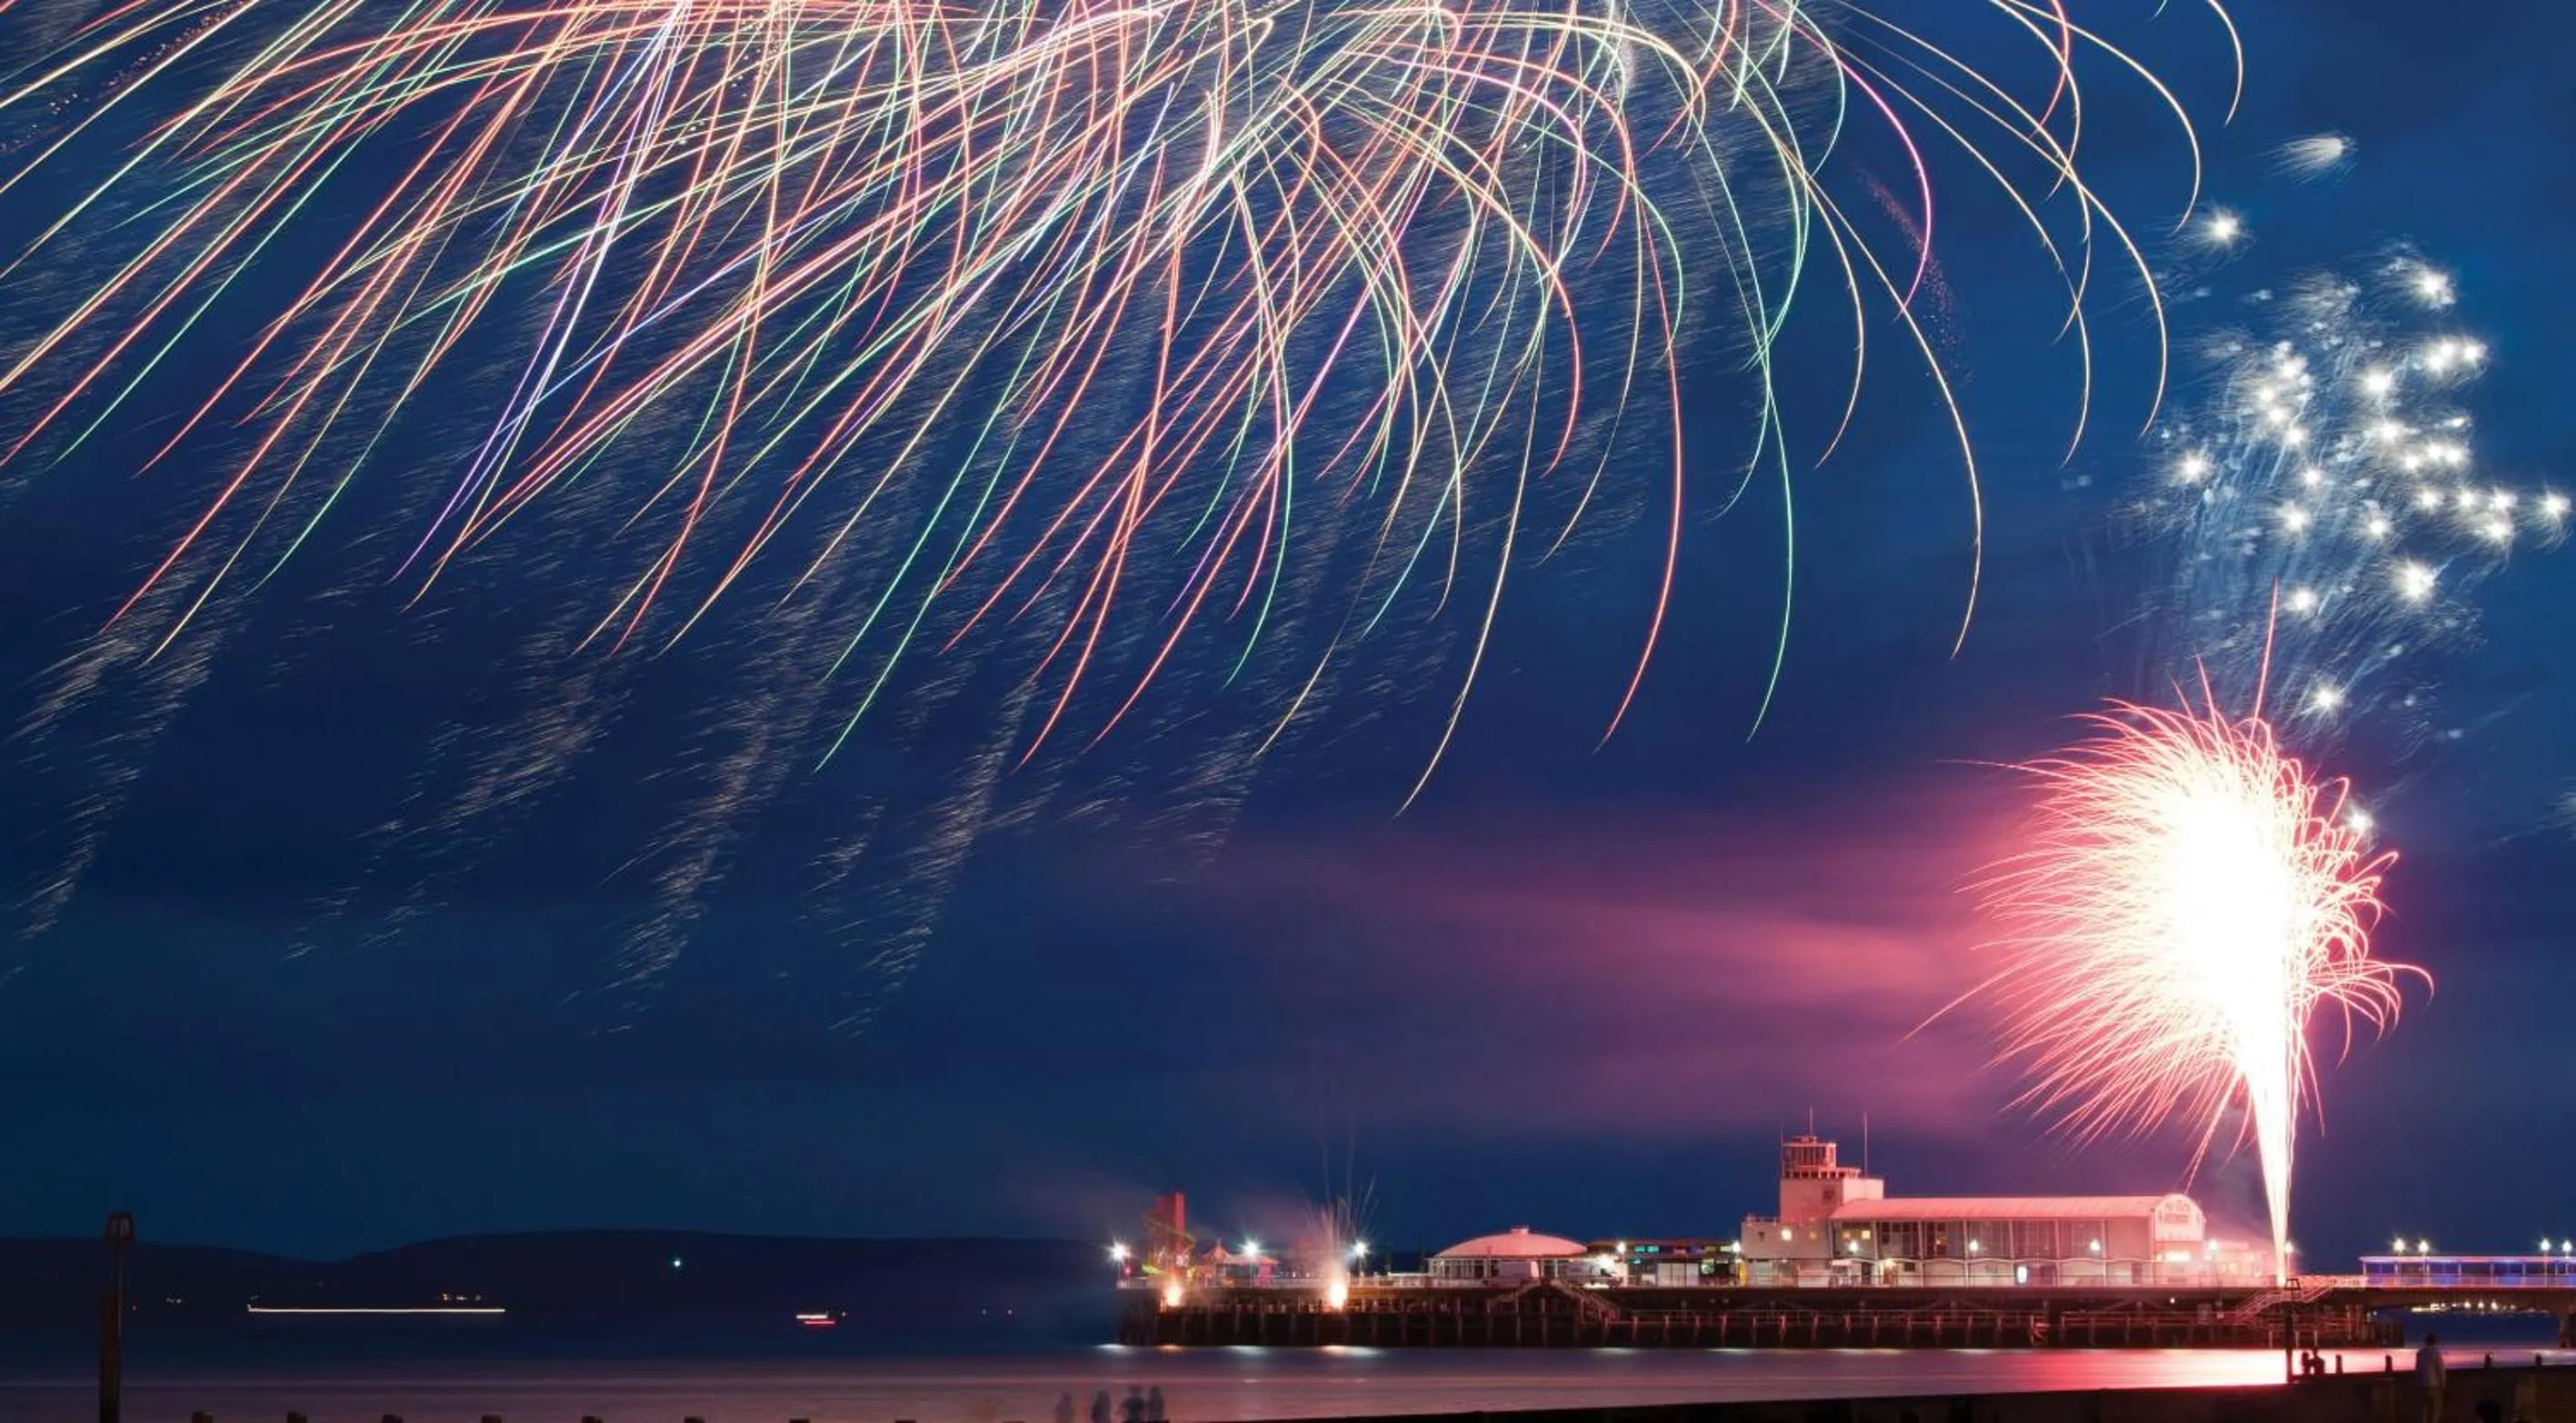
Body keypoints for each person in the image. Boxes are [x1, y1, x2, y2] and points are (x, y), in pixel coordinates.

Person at [2419, 1333, 2449, 1423]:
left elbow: (2418, 1369)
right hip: (2434, 1385)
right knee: (2435, 1410)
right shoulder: (2436, 1352)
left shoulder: (2420, 1353)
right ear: (2435, 1341)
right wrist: (2443, 1384)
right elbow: (2440, 1369)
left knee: (2424, 1411)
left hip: (2422, 1384)